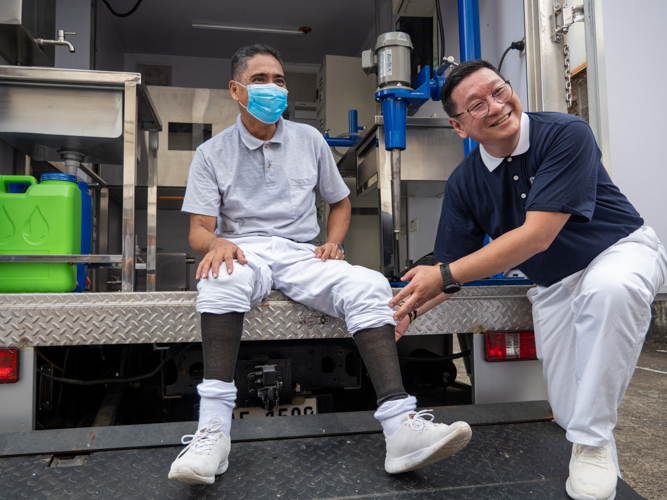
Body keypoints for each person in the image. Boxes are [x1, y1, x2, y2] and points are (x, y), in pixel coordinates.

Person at [167, 43, 472, 485]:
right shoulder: (211, 153)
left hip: (300, 251)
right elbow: (199, 231)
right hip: (244, 249)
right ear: (236, 90)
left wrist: (332, 241)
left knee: (367, 285)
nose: (273, 88)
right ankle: (213, 431)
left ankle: (401, 427)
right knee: (220, 282)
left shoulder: (308, 140)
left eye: (280, 80)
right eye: (259, 80)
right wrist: (216, 244)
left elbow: (341, 202)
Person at [390, 59, 667, 500]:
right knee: (565, 408)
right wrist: (404, 313)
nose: (498, 106)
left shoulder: (564, 133)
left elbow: (537, 235)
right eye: (478, 105)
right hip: (555, 282)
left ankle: (593, 445)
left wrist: (442, 276)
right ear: (459, 126)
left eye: (500, 91)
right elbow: (453, 268)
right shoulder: (465, 182)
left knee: (609, 291)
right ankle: (586, 433)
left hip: (619, 251)